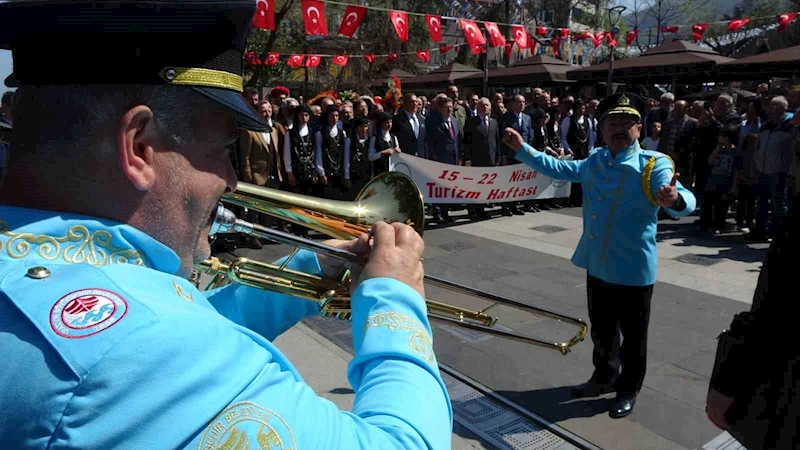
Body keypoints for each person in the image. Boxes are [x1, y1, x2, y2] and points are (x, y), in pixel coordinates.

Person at [0, 2, 452, 449]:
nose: (231, 179)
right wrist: (395, 299)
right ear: (139, 147)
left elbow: (170, 314)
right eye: (221, 150)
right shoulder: (148, 348)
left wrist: (314, 266)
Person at [502, 93, 696, 419]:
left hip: (633, 270)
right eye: (611, 124)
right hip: (598, 265)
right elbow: (560, 168)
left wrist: (674, 199)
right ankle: (603, 377)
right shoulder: (595, 161)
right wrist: (523, 149)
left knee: (634, 339)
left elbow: (682, 197)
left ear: (638, 127)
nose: (618, 130)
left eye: (625, 123)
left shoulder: (652, 164)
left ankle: (627, 388)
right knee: (602, 331)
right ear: (602, 129)